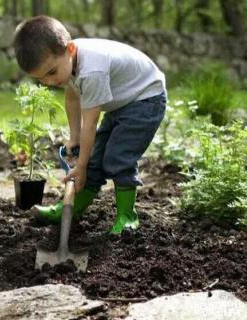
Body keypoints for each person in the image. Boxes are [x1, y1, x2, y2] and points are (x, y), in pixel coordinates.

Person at [14, 15, 167, 234]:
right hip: (122, 101)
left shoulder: (92, 70)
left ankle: (127, 217)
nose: (49, 82)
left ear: (70, 49)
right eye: (42, 79)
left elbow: (91, 122)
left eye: (51, 72)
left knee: (118, 157)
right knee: (95, 158)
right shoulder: (69, 62)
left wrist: (81, 166)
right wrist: (74, 138)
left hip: (146, 99)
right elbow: (72, 98)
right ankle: (71, 209)